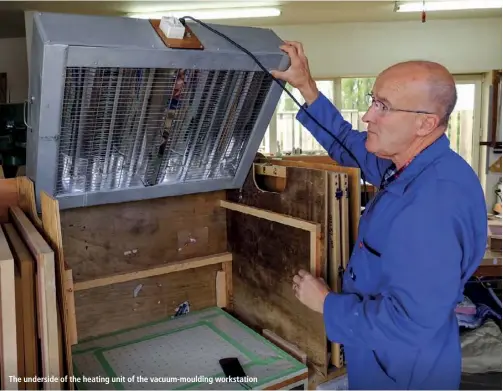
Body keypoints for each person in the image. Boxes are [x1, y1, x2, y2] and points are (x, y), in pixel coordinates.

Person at [270, 41, 488, 390]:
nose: (368, 115)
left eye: (383, 107)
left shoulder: (433, 203)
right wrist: (306, 88)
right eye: (373, 100)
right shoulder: (408, 164)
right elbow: (346, 142)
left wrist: (326, 303)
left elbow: (410, 324)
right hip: (383, 358)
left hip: (404, 373)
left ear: (425, 123)